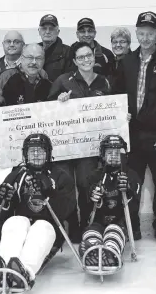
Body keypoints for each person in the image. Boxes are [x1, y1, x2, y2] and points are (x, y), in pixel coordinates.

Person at [113, 11, 156, 244]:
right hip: (132, 134)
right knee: (132, 182)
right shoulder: (127, 62)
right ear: (136, 34)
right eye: (141, 33)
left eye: (150, 33)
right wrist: (120, 115)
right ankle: (131, 226)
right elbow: (118, 94)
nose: (145, 38)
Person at [0, 43, 52, 238]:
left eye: (38, 58)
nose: (34, 62)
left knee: (30, 188)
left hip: (34, 151)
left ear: (43, 60)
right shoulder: (5, 78)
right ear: (21, 58)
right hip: (7, 147)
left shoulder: (45, 79)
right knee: (4, 188)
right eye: (29, 57)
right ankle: (1, 232)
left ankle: (30, 226)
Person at [0, 134, 75, 291]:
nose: (35, 155)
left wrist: (49, 193)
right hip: (23, 223)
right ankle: (3, 268)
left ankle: (24, 273)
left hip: (48, 227)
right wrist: (4, 197)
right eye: (31, 151)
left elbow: (66, 210)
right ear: (25, 154)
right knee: (15, 221)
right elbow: (2, 214)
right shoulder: (16, 174)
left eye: (40, 151)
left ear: (49, 153)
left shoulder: (60, 176)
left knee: (41, 226)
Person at [48, 41, 112, 243]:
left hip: (89, 146)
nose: (86, 60)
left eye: (88, 55)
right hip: (65, 146)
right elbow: (46, 113)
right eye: (81, 57)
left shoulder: (104, 82)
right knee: (65, 187)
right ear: (74, 61)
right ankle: (72, 227)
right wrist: (58, 102)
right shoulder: (63, 81)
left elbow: (111, 111)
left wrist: (122, 118)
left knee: (86, 185)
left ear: (94, 55)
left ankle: (87, 225)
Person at [78, 135, 140, 266]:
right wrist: (93, 195)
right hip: (98, 221)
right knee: (90, 233)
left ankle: (110, 254)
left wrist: (128, 189)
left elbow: (134, 206)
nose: (113, 156)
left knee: (114, 233)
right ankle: (93, 252)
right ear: (103, 155)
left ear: (124, 155)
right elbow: (86, 203)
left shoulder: (131, 175)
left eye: (117, 153)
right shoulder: (95, 175)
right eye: (109, 153)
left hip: (120, 222)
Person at [38, 14, 72, 82]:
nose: (47, 32)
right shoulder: (33, 50)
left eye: (51, 29)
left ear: (58, 32)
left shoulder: (68, 52)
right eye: (44, 28)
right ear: (39, 31)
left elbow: (69, 82)